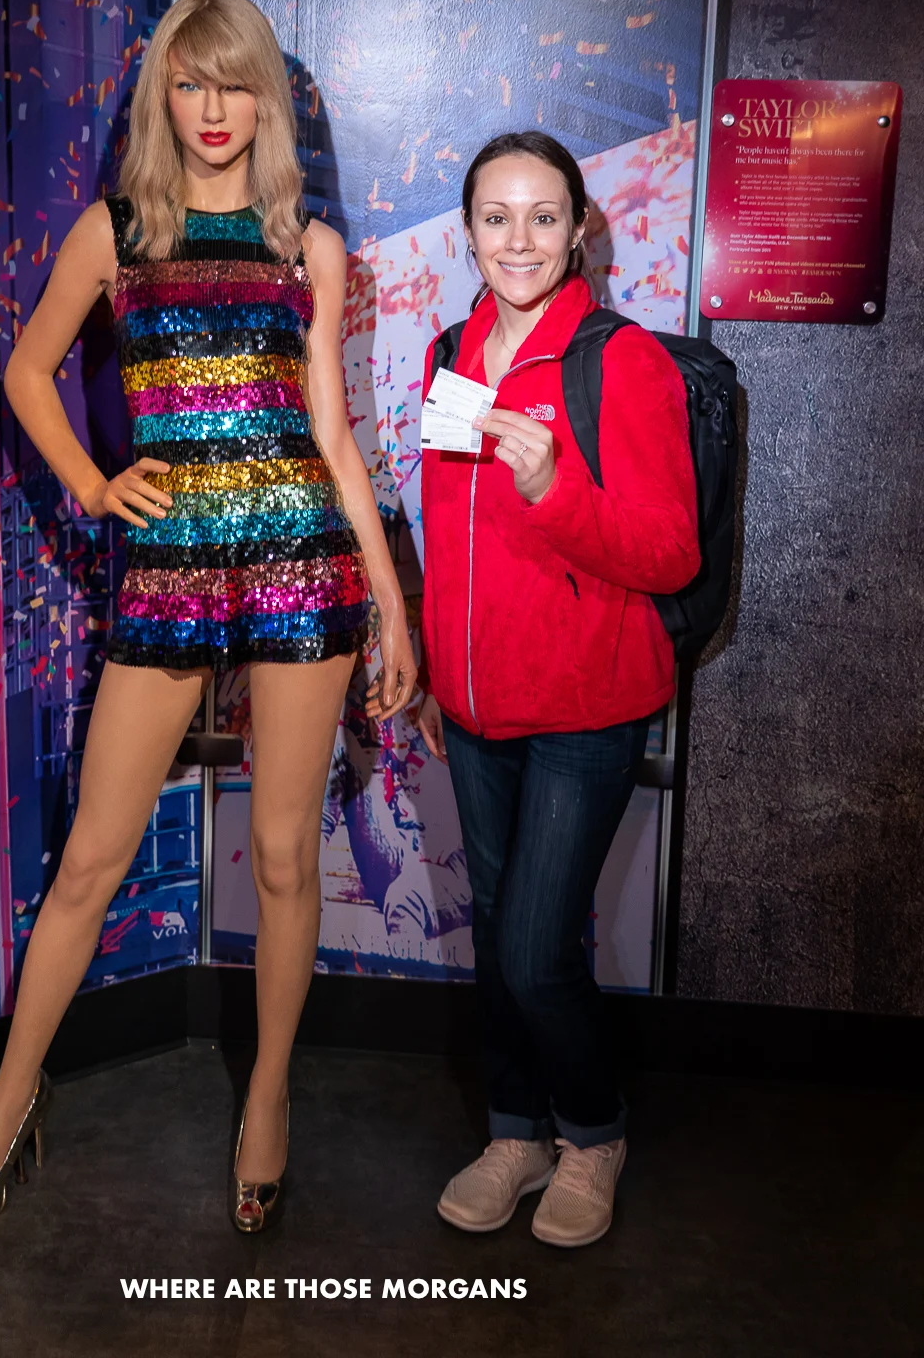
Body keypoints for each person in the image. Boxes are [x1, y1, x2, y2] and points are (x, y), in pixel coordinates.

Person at [0, 0, 415, 1234]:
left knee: (281, 857)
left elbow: (335, 441)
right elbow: (27, 373)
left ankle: (266, 1102)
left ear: (267, 98)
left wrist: (393, 608)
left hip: (303, 563)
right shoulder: (117, 231)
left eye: (234, 84)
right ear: (163, 96)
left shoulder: (309, 245)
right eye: (189, 86)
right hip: (169, 571)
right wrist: (96, 485)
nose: (213, 110)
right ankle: (8, 1103)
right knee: (91, 859)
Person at [416, 131, 698, 1249]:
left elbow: (668, 550)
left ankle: (592, 1133)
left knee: (537, 947)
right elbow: (445, 535)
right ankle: (515, 1128)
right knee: (497, 932)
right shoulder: (452, 352)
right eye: (497, 217)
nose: (519, 239)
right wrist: (442, 675)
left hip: (588, 708)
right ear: (469, 231)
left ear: (580, 227)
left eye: (544, 217)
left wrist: (551, 485)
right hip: (478, 708)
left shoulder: (621, 362)